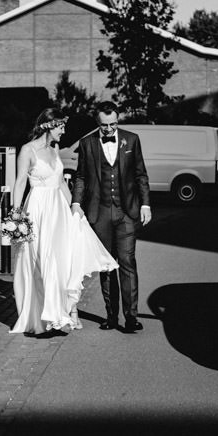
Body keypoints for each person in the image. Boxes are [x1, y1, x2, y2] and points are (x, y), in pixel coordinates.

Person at [10, 108, 118, 335]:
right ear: (50, 126)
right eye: (61, 127)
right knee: (39, 260)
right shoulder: (27, 150)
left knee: (60, 259)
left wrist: (75, 212)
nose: (64, 131)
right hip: (38, 209)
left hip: (58, 209)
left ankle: (60, 311)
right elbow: (20, 183)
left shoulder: (55, 149)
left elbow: (59, 183)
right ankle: (40, 316)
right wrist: (16, 215)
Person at [71, 101, 152, 333]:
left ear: (118, 120)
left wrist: (145, 204)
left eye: (113, 124)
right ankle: (111, 316)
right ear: (98, 123)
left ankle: (131, 317)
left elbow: (141, 175)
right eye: (104, 125)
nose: (109, 129)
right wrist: (76, 203)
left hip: (126, 212)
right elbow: (81, 177)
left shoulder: (132, 140)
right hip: (100, 212)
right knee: (106, 266)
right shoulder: (87, 144)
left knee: (127, 262)